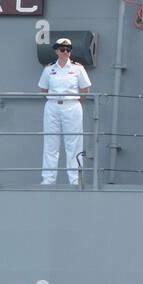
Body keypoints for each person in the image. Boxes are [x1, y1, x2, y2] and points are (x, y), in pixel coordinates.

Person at [37, 38, 92, 185]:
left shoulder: (78, 68)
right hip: (52, 106)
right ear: (57, 51)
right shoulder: (49, 69)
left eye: (68, 49)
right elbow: (43, 90)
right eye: (63, 49)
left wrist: (72, 101)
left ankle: (75, 180)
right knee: (50, 143)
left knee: (73, 144)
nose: (66, 52)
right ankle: (48, 179)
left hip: (72, 106)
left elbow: (85, 90)